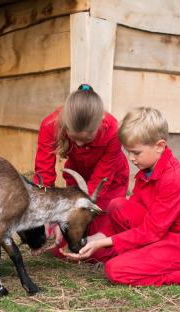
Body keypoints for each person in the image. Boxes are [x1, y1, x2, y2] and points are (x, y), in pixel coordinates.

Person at [61, 107, 180, 286]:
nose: (130, 158)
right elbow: (131, 214)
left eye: (136, 153)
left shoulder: (175, 177)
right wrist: (92, 240)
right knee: (117, 206)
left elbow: (152, 231)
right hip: (164, 231)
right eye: (127, 152)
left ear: (159, 146)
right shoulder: (146, 171)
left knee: (115, 271)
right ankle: (148, 258)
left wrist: (105, 242)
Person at [33, 84, 129, 263]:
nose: (79, 144)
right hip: (78, 181)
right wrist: (49, 216)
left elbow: (100, 181)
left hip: (108, 183)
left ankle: (128, 241)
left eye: (86, 140)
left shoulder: (113, 132)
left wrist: (71, 215)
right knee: (64, 245)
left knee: (97, 252)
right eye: (73, 138)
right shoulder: (50, 125)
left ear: (100, 124)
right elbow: (44, 174)